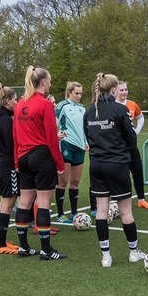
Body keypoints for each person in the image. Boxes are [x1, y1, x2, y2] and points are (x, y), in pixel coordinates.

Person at [83, 72, 144, 267]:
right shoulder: (120, 109)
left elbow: (89, 138)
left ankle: (106, 256)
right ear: (114, 89)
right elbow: (131, 137)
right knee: (126, 211)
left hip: (97, 165)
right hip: (117, 165)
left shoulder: (88, 111)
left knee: (102, 211)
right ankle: (133, 252)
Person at [13, 65, 66, 261]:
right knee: (43, 202)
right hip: (41, 156)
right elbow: (52, 138)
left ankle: (24, 247)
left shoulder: (19, 104)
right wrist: (60, 164)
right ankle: (46, 250)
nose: (50, 83)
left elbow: (16, 136)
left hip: (23, 157)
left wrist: (17, 162)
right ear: (43, 82)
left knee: (24, 203)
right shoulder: (45, 104)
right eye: (49, 80)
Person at [0, 83, 21, 254]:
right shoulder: (4, 119)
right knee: (8, 203)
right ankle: (0, 244)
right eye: (15, 100)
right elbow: (11, 144)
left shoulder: (2, 117)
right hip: (7, 164)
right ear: (8, 101)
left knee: (5, 203)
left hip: (2, 163)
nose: (17, 102)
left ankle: (0, 241)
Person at [54, 81, 88, 224]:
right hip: (66, 145)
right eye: (76, 93)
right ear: (69, 93)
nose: (79, 96)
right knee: (62, 181)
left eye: (80, 93)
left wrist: (86, 141)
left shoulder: (82, 108)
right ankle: (61, 214)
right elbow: (52, 122)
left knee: (75, 182)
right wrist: (56, 134)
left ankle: (74, 213)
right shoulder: (62, 106)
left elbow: (85, 127)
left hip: (80, 147)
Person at [117, 81, 148, 210]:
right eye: (121, 90)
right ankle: (117, 201)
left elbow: (141, 117)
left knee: (137, 171)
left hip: (131, 145)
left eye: (125, 89)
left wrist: (136, 132)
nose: (124, 92)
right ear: (115, 91)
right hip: (118, 146)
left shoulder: (132, 104)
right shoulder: (113, 106)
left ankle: (141, 200)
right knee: (121, 174)